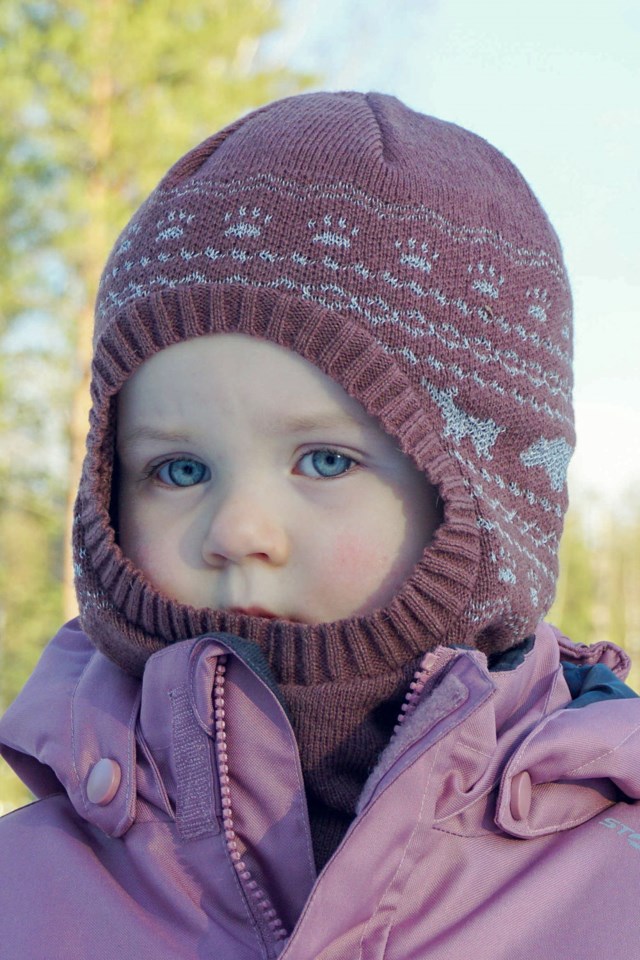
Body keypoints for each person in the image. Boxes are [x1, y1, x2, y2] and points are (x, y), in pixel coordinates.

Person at [1, 90, 639, 959]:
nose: (238, 529)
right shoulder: (26, 892)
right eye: (179, 469)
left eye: (326, 461)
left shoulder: (617, 884)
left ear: (488, 500)